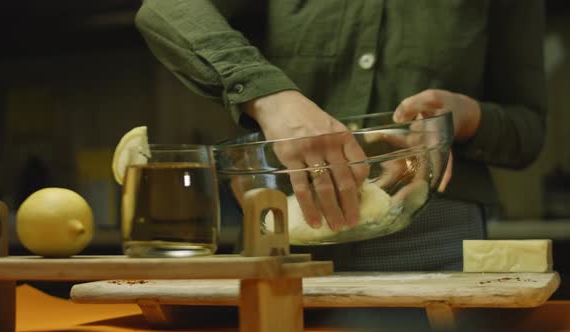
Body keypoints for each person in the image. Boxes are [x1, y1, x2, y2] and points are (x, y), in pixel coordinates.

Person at [134, 0, 547, 271]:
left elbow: (528, 130)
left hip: (434, 241)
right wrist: (272, 97)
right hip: (287, 239)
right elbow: (166, 8)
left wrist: (465, 115)